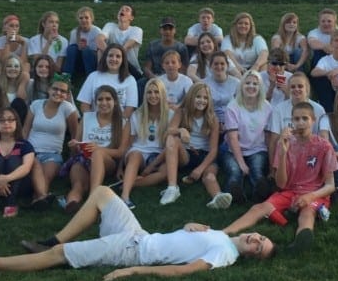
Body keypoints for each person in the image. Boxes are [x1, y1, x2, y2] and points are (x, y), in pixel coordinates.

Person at [0, 185, 274, 276]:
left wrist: (133, 270)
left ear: (250, 255)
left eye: (258, 247)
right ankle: (50, 241)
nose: (256, 239)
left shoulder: (225, 253)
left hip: (132, 252)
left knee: (63, 255)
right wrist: (187, 226)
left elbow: (184, 270)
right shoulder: (223, 237)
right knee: (102, 193)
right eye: (261, 237)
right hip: (140, 236)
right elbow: (185, 245)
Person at [223, 102, 337, 254]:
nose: (300, 123)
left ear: (313, 120)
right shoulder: (285, 143)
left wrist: (310, 196)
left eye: (305, 118)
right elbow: (281, 184)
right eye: (296, 119)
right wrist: (283, 153)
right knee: (259, 207)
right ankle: (223, 233)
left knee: (307, 213)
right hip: (290, 191)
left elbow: (330, 185)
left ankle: (301, 241)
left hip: (314, 193)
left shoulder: (324, 146)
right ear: (292, 121)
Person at [160, 83, 232, 209]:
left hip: (206, 156)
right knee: (172, 138)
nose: (202, 100)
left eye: (205, 98)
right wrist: (181, 130)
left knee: (209, 176)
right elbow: (168, 132)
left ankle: (217, 196)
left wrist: (200, 169)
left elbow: (213, 150)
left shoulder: (212, 119)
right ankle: (172, 188)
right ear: (191, 97)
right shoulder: (181, 112)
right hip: (186, 154)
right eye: (198, 97)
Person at [60, 86, 129, 213]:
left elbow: (121, 152)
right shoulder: (87, 118)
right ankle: (71, 204)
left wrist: (99, 149)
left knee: (97, 153)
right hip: (83, 159)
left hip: (107, 162)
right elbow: (76, 148)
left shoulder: (122, 122)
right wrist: (74, 146)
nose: (104, 103)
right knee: (78, 184)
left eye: (108, 99)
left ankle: (93, 198)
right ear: (95, 102)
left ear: (115, 101)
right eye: (100, 99)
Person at [24, 74, 79, 209]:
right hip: (31, 151)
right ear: (49, 89)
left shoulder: (68, 108)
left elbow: (75, 135)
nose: (58, 93)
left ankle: (38, 199)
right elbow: (25, 130)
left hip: (53, 154)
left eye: (63, 91)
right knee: (35, 172)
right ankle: (42, 197)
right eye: (55, 89)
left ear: (67, 95)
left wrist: (72, 157)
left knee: (46, 176)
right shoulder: (36, 105)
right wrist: (22, 150)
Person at [219, 71, 273, 204]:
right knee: (234, 171)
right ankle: (234, 193)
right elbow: (232, 138)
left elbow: (268, 135)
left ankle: (260, 191)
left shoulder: (267, 107)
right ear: (241, 86)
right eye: (247, 83)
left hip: (257, 149)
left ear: (260, 87)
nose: (251, 86)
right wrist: (242, 163)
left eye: (255, 84)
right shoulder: (232, 107)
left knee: (257, 170)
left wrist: (271, 160)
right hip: (232, 150)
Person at [118, 78, 173, 209]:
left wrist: (151, 166)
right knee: (135, 155)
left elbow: (169, 146)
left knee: (165, 172)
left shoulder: (170, 115)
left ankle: (132, 183)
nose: (153, 95)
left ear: (162, 94)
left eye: (156, 92)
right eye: (149, 92)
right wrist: (119, 167)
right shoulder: (137, 114)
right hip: (139, 152)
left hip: (158, 154)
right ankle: (125, 197)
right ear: (145, 95)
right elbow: (129, 143)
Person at [0, 107, 34, 219]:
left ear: (16, 122)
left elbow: (26, 167)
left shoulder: (25, 145)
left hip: (19, 185)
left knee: (14, 160)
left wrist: (6, 178)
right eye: (2, 120)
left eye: (10, 119)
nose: (6, 123)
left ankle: (11, 203)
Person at [267, 72, 325, 162]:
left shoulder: (319, 109)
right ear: (289, 89)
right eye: (293, 87)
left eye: (300, 86)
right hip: (287, 154)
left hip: (311, 153)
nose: (296, 89)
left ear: (307, 89)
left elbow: (322, 139)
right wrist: (272, 166)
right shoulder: (279, 109)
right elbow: (274, 140)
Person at [77, 43, 138, 119]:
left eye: (118, 56)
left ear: (123, 60)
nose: (114, 59)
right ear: (105, 57)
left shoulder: (130, 80)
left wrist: (118, 122)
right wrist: (93, 121)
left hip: (119, 121)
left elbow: (129, 109)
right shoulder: (93, 76)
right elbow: (84, 105)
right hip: (95, 121)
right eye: (110, 55)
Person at [98, 5, 143, 79]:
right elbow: (99, 39)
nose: (123, 10)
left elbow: (126, 47)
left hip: (129, 66)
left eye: (127, 10)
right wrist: (110, 56)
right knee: (100, 50)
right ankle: (100, 75)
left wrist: (112, 55)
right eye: (121, 9)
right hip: (111, 63)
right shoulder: (110, 26)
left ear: (131, 17)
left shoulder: (136, 30)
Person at [202, 51, 240, 130]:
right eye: (216, 64)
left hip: (232, 121)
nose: (219, 66)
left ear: (227, 65)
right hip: (210, 121)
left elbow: (240, 106)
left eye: (222, 64)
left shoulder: (236, 83)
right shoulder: (203, 84)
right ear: (210, 66)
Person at [63, 6, 102, 77]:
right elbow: (71, 53)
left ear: (91, 19)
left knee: (86, 50)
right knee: (71, 48)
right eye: (81, 18)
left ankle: (90, 77)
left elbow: (99, 52)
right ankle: (66, 75)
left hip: (92, 62)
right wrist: (79, 48)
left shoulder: (97, 32)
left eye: (86, 18)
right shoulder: (74, 32)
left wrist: (86, 48)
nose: (83, 20)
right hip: (79, 63)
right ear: (78, 20)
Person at [0, 55, 30, 123]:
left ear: (20, 69)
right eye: (9, 66)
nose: (13, 69)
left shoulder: (28, 84)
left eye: (16, 66)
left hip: (20, 123)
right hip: (2, 122)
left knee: (18, 102)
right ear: (4, 68)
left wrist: (23, 84)